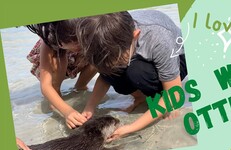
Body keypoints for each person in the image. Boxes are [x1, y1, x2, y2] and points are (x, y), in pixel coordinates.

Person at [76, 10, 188, 140]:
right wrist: (89, 108)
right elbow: (105, 77)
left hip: (178, 57)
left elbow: (175, 93)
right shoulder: (103, 40)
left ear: (135, 36)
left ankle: (162, 100)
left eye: (117, 60)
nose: (113, 66)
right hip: (135, 55)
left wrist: (132, 127)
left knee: (137, 72)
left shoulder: (158, 38)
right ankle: (140, 98)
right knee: (113, 70)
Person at [26, 20, 97, 129]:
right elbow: (45, 86)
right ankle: (56, 94)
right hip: (56, 62)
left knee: (97, 57)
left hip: (78, 61)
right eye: (73, 40)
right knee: (56, 59)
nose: (78, 43)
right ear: (58, 40)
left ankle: (81, 86)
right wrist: (67, 111)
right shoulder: (49, 41)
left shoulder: (86, 33)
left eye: (79, 39)